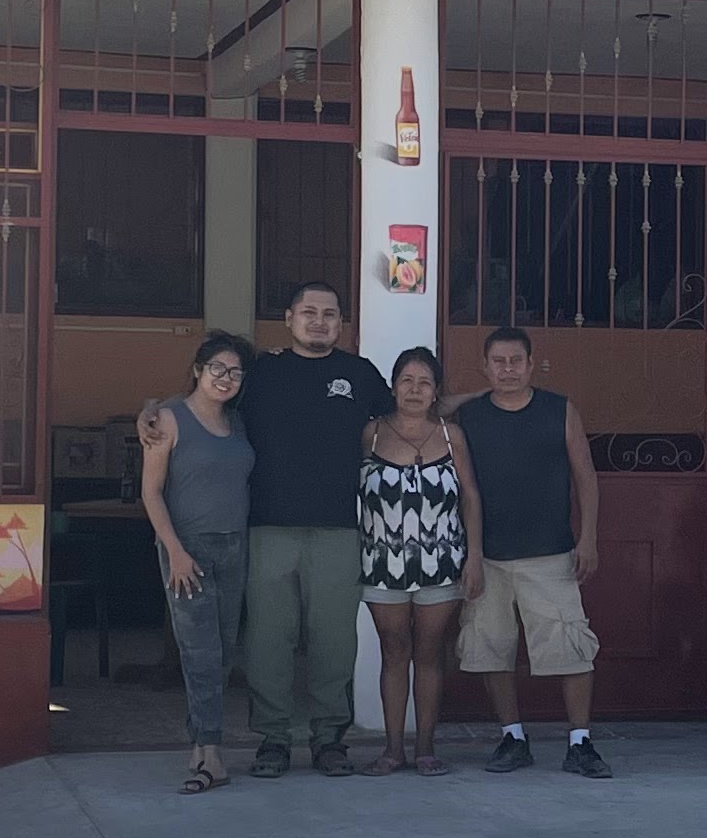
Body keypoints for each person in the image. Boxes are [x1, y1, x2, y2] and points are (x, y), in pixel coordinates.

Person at [212, 283, 389, 777]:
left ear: (341, 322)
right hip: (268, 527)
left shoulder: (360, 374)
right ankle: (272, 740)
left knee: (334, 641)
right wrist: (153, 414)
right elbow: (206, 400)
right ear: (288, 318)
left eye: (329, 314)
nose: (318, 321)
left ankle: (330, 740)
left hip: (339, 529)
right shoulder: (260, 373)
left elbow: (410, 417)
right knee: (269, 640)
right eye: (308, 312)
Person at [451, 323, 608, 778]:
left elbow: (586, 476)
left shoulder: (559, 410)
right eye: (497, 362)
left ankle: (580, 743)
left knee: (572, 648)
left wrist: (589, 536)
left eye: (515, 361)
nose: (507, 370)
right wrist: (476, 395)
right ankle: (512, 737)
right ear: (484, 366)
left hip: (551, 554)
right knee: (489, 648)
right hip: (488, 558)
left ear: (531, 363)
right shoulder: (472, 417)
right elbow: (431, 408)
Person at [134, 329, 254, 793]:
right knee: (199, 652)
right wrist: (176, 552)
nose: (226, 379)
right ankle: (213, 755)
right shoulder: (168, 419)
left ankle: (201, 744)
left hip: (235, 546)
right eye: (218, 369)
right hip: (188, 550)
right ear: (199, 371)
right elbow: (151, 492)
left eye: (235, 372)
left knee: (223, 651)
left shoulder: (238, 423)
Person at [354, 347, 479, 776]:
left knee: (429, 653)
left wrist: (474, 557)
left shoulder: (450, 436)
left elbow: (471, 498)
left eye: (424, 382)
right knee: (394, 651)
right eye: (406, 380)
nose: (414, 389)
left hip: (441, 562)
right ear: (392, 386)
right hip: (381, 561)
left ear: (436, 391)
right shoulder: (370, 433)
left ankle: (425, 748)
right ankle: (392, 750)